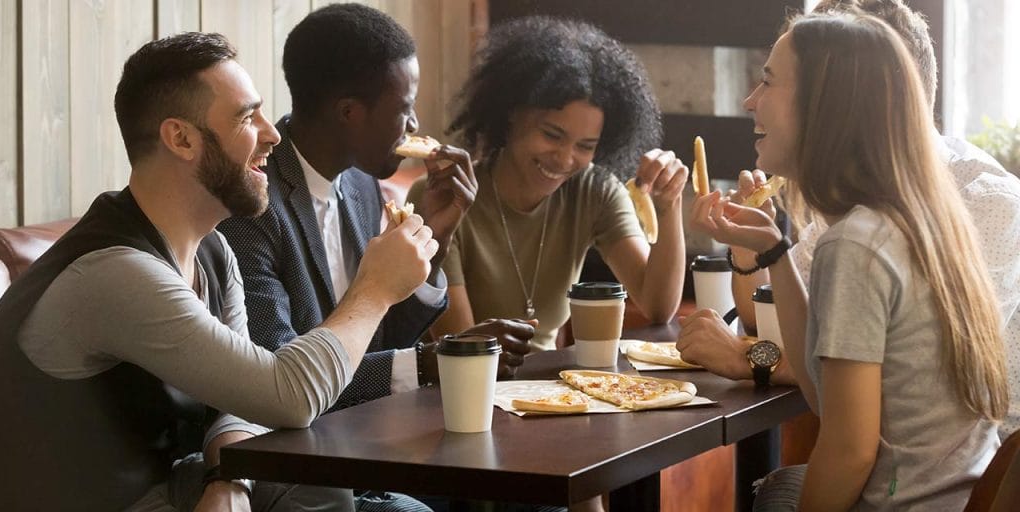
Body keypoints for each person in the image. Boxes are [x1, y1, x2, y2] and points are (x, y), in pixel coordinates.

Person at [0, 32, 437, 511]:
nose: (272, 134)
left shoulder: (215, 250)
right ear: (181, 138)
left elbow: (237, 401)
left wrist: (230, 482)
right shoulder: (115, 273)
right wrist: (374, 289)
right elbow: (287, 395)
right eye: (248, 117)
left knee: (354, 493)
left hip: (176, 484)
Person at [690, 11, 1008, 510]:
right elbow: (826, 400)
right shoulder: (917, 221)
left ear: (825, 108)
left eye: (768, 82)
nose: (750, 100)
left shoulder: (857, 246)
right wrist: (774, 251)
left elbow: (848, 452)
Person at [216, 4, 533, 412]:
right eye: (404, 109)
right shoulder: (252, 206)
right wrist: (428, 363)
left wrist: (436, 235)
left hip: (369, 434)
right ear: (349, 113)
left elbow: (382, 342)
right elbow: (283, 377)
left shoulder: (363, 184)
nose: (415, 125)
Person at [411, 16, 688, 353]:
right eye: (552, 135)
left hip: (553, 391)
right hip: (466, 390)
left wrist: (669, 204)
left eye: (585, 146)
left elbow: (657, 306)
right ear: (512, 112)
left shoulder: (594, 191)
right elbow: (464, 350)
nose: (565, 159)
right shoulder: (443, 197)